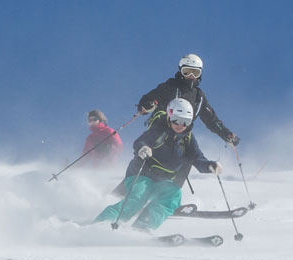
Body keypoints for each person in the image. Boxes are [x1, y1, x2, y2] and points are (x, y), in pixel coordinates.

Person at [92, 98, 221, 231]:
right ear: (170, 116)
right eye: (177, 119)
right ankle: (103, 223)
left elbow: (197, 157)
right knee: (138, 198)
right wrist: (142, 148)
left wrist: (209, 166)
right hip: (141, 174)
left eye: (186, 121)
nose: (180, 125)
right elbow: (140, 141)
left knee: (173, 195)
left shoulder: (188, 138)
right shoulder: (159, 130)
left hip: (162, 180)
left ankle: (144, 226)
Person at [135, 54, 240, 147]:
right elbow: (150, 98)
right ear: (180, 71)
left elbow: (211, 120)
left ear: (200, 75)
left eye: (195, 73)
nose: (191, 76)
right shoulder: (169, 87)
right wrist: (147, 105)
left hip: (180, 136)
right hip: (159, 131)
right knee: (148, 149)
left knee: (188, 154)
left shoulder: (199, 97)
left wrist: (226, 134)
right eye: (187, 72)